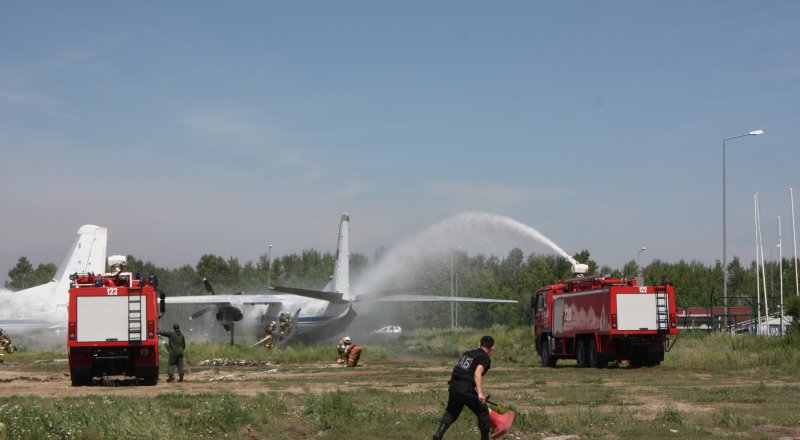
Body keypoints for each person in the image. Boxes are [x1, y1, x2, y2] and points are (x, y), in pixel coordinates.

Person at [432, 335, 495, 440]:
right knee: (483, 411)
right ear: (491, 348)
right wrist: (480, 393)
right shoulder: (484, 357)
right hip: (465, 388)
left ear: (479, 343)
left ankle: (438, 435)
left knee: (452, 412)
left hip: (454, 386)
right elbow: (477, 374)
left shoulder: (467, 354)